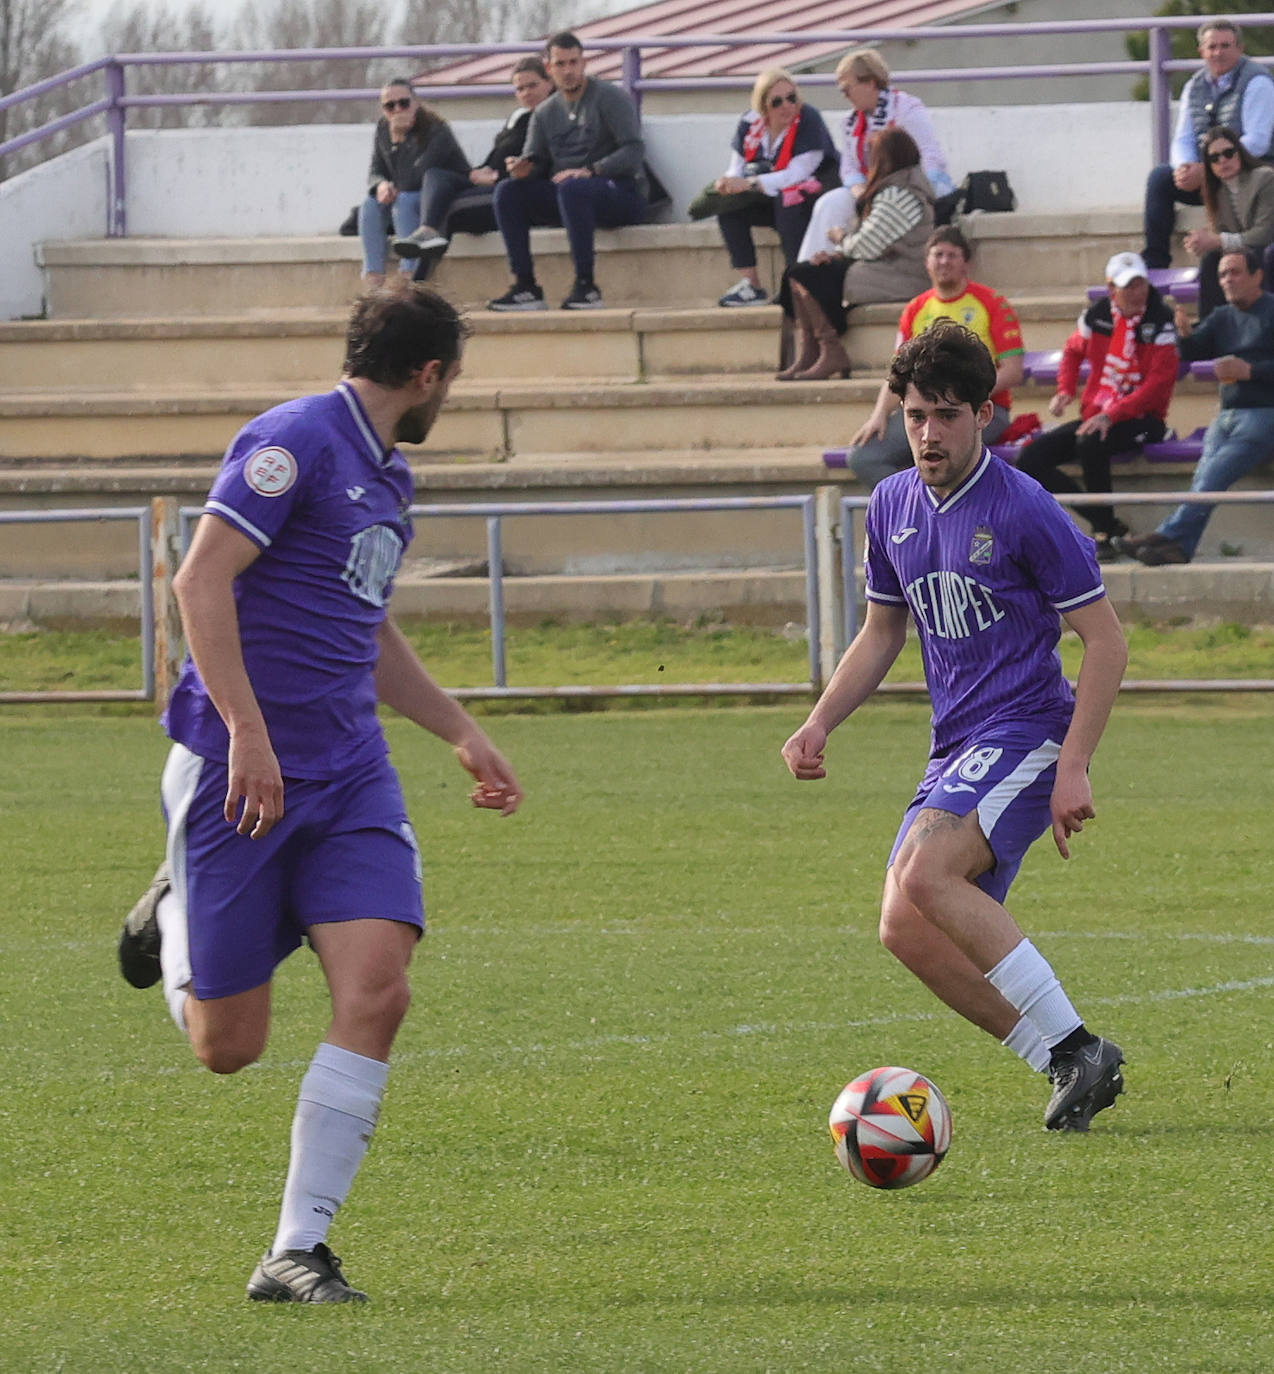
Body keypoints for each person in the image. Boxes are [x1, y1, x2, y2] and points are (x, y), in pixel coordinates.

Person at [116, 283, 524, 1304]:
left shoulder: (389, 476)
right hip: (236, 772)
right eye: (452, 381)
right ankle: (172, 917)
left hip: (348, 773)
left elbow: (367, 627)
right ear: (429, 375)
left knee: (379, 989)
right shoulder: (290, 440)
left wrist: (459, 731)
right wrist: (247, 735)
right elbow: (198, 582)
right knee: (227, 1047)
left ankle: (296, 1249)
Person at [781, 320, 1128, 1134]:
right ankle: (1063, 1062)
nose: (927, 433)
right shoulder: (894, 503)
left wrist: (1074, 765)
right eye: (913, 416)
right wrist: (819, 722)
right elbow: (881, 631)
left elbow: (1106, 641)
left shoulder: (1024, 508)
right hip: (957, 746)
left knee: (929, 872)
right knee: (903, 924)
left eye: (945, 414)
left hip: (1030, 727)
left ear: (985, 415)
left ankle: (1078, 1041)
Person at [1115, 246, 1274, 566]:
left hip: (1264, 414)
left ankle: (1165, 533)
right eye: (1222, 274)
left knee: (1212, 475)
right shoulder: (1222, 316)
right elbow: (1191, 352)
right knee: (1205, 475)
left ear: (1257, 276)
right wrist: (1185, 335)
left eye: (1235, 272)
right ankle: (1179, 549)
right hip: (1227, 415)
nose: (1227, 280)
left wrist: (1251, 371)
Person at [1016, 251, 1178, 561]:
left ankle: (1104, 533)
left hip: (1144, 418)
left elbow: (1157, 385)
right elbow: (1072, 351)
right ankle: (1107, 523)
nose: (1136, 291)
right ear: (1111, 288)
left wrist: (1111, 414)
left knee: (1091, 441)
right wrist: (1065, 389)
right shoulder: (1097, 315)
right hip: (1100, 414)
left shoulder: (1161, 319)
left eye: (1140, 283)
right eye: (1127, 285)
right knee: (1031, 458)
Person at [846, 226, 1025, 486]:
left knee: (945, 456)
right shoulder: (915, 309)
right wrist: (879, 415)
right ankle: (914, 510)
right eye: (938, 255)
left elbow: (1012, 370)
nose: (944, 261)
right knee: (864, 458)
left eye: (952, 255)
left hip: (982, 408)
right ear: (926, 263)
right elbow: (899, 371)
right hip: (924, 408)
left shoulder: (992, 303)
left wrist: (962, 395)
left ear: (966, 263)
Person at [486, 32, 648, 312]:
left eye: (574, 62)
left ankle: (586, 286)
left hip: (618, 192)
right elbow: (535, 160)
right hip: (569, 196)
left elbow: (634, 150)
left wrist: (592, 170)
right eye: (560, 64)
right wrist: (522, 171)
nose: (568, 70)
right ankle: (526, 287)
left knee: (573, 187)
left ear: (584, 63)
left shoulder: (610, 97)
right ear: (549, 69)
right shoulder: (544, 112)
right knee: (508, 191)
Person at [776, 127, 933, 381]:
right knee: (798, 273)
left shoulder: (900, 193)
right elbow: (872, 240)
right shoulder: (899, 187)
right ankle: (811, 351)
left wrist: (840, 239)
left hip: (899, 274)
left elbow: (866, 246)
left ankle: (831, 351)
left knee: (806, 275)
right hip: (883, 267)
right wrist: (836, 255)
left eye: (874, 155)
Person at [392, 57, 555, 276]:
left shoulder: (552, 115)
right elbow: (498, 156)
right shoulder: (518, 117)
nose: (526, 93)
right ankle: (426, 230)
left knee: (448, 210)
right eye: (520, 88)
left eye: (532, 85)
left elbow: (541, 164)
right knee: (436, 175)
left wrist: (498, 178)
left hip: (512, 189)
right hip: (488, 179)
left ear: (549, 82)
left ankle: (416, 285)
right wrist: (480, 172)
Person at [799, 47, 954, 262]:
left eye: (847, 88)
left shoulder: (908, 109)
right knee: (829, 203)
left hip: (912, 187)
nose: (844, 95)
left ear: (870, 82)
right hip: (871, 190)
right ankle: (806, 274)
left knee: (889, 205)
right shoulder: (850, 122)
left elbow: (931, 159)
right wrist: (860, 189)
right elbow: (849, 168)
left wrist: (896, 192)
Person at [700, 68, 839, 308]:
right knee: (728, 208)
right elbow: (737, 167)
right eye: (777, 101)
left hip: (810, 195)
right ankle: (752, 285)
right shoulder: (750, 123)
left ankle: (797, 282)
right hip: (769, 194)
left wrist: (751, 182)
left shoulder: (808, 119)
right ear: (763, 105)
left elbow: (798, 173)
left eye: (791, 98)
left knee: (788, 203)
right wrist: (730, 183)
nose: (787, 106)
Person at [1142, 21, 1274, 271]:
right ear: (1201, 51)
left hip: (1251, 173)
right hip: (1212, 174)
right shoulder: (1194, 86)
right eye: (1212, 46)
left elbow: (1257, 141)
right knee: (1161, 178)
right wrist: (1185, 169)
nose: (1218, 52)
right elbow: (1183, 138)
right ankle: (1155, 266)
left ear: (1240, 48)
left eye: (1226, 45)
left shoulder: (1257, 82)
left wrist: (1207, 169)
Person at [357, 80, 472, 287]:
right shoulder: (383, 128)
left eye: (404, 103)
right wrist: (381, 185)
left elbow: (415, 178)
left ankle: (410, 275)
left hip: (436, 198)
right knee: (370, 204)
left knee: (404, 200)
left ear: (416, 102)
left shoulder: (437, 130)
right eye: (390, 106)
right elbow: (375, 171)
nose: (398, 110)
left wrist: (398, 141)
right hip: (403, 195)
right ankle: (373, 279)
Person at [1184, 125, 1274, 318]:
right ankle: (1210, 330)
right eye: (1214, 158)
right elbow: (1221, 238)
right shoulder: (1215, 192)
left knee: (1266, 254)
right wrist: (1200, 241)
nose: (1223, 160)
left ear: (1239, 153)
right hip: (1247, 252)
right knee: (1211, 261)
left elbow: (1265, 233)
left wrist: (1217, 240)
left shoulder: (1265, 178)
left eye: (1228, 153)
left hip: (1267, 248)